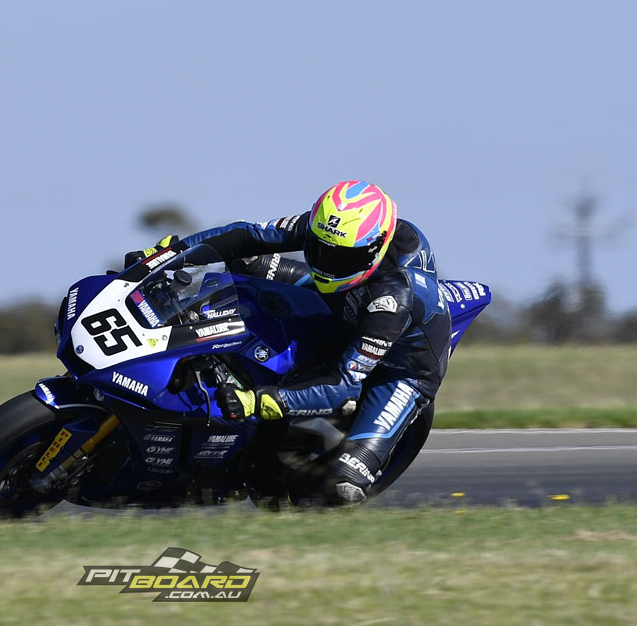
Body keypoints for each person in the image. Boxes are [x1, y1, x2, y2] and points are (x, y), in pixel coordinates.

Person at [128, 181, 451, 506]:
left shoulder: (392, 302)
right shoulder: (331, 228)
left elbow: (344, 386)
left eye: (340, 257)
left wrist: (253, 402)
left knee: (343, 486)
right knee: (248, 262)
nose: (327, 263)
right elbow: (245, 235)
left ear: (374, 248)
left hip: (400, 370)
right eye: (319, 249)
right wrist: (166, 257)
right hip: (344, 302)